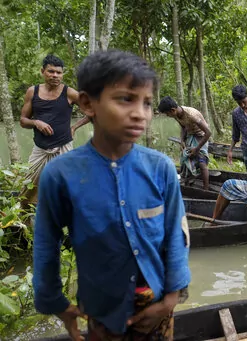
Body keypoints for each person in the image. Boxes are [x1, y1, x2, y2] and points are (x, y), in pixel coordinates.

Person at [32, 50, 190, 341]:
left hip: (156, 307)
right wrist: (55, 302)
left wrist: (172, 297)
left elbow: (176, 234)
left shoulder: (161, 168)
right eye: (125, 99)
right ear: (88, 104)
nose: (140, 113)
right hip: (102, 309)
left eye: (147, 103)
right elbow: (45, 244)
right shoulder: (60, 175)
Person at [19, 54, 90, 205]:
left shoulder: (69, 93)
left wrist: (75, 127)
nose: (55, 75)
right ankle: (23, 225)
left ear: (63, 73)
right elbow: (23, 121)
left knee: (68, 189)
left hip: (63, 147)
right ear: (42, 71)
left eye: (59, 72)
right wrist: (36, 122)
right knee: (27, 190)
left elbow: (92, 112)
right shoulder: (33, 91)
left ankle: (69, 224)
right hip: (40, 148)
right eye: (51, 71)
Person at [158, 97, 211, 190]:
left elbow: (208, 132)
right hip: (191, 135)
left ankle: (206, 189)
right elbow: (183, 127)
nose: (167, 116)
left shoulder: (191, 115)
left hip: (201, 136)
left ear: (172, 110)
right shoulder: (176, 115)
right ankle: (187, 183)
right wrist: (182, 140)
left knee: (202, 162)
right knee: (186, 159)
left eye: (167, 114)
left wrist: (197, 149)